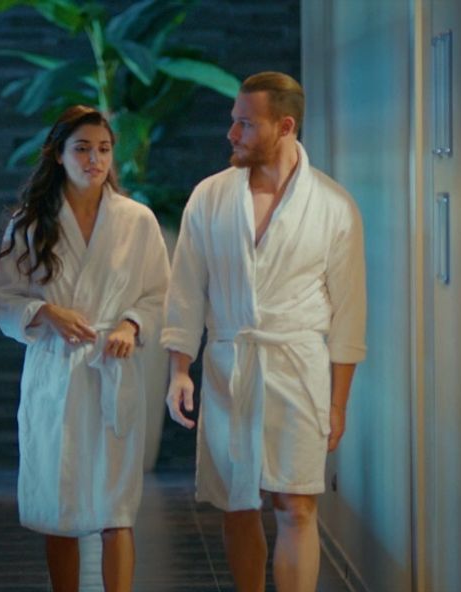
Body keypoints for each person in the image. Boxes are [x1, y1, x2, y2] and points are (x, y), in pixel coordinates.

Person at [161, 72, 366, 592]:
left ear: (286, 126)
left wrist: (338, 403)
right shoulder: (209, 197)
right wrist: (179, 369)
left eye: (246, 124)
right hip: (230, 365)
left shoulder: (334, 206)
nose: (232, 133)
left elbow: (349, 313)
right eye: (234, 121)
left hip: (298, 367)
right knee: (238, 502)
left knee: (296, 504)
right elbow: (185, 289)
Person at [0, 105, 170, 592]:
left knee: (117, 510)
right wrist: (47, 312)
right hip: (56, 375)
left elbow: (159, 293)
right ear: (58, 154)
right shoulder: (31, 223)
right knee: (60, 508)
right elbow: (3, 299)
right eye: (83, 149)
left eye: (104, 149)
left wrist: (130, 324)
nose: (95, 160)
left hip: (112, 371)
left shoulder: (137, 221)